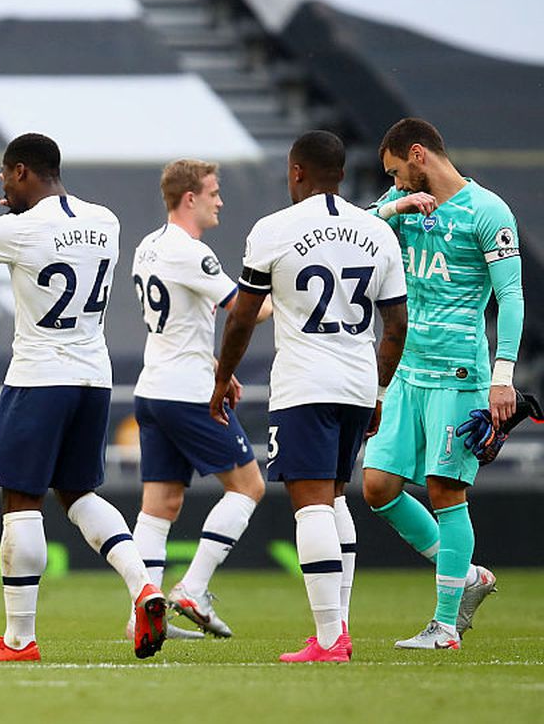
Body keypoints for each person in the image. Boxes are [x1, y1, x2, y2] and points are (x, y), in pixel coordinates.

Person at [0, 134, 167, 663]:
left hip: (38, 376)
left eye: (7, 176)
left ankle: (19, 639)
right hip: (93, 378)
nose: (3, 186)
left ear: (24, 171)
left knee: (20, 498)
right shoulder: (107, 220)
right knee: (77, 493)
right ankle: (143, 586)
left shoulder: (14, 229)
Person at [210, 130, 407, 663]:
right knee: (336, 496)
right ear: (341, 173)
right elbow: (396, 326)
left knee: (311, 505)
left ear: (296, 172)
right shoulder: (377, 233)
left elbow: (242, 317)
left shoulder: (273, 230)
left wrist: (221, 376)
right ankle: (337, 627)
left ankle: (329, 639)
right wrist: (380, 391)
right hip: (359, 381)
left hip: (305, 382)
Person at [361, 118, 522, 650]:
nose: (397, 183)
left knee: (446, 492)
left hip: (459, 376)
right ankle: (468, 575)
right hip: (408, 371)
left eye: (397, 173)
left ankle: (446, 625)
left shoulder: (488, 212)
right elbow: (356, 233)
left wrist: (503, 378)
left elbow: (512, 297)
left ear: (417, 155)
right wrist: (392, 207)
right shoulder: (400, 206)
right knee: (378, 486)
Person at [129, 159, 271, 641]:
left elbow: (179, 327)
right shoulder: (191, 252)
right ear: (189, 198)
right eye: (212, 192)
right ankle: (193, 587)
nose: (220, 200)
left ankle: (142, 613)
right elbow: (249, 310)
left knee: (160, 505)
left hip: (154, 389)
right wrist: (298, 288)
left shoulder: (147, 246)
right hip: (188, 395)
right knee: (249, 487)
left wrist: (217, 366)